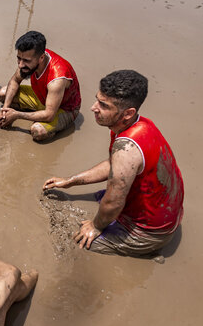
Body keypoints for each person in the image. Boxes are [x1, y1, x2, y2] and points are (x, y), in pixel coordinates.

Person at [43, 70, 184, 257]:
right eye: (97, 99)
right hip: (163, 210)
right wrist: (70, 181)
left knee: (80, 241)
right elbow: (113, 165)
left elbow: (114, 201)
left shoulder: (126, 148)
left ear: (128, 113)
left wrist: (95, 226)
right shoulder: (136, 125)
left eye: (103, 105)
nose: (93, 107)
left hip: (150, 232)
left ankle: (151, 252)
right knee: (102, 203)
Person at [0, 31, 81, 141]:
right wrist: (5, 110)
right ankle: (35, 114)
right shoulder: (31, 57)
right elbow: (15, 81)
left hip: (63, 108)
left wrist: (17, 115)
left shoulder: (57, 79)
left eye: (26, 61)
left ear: (41, 58)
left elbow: (49, 114)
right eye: (19, 58)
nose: (20, 64)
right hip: (42, 98)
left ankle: (49, 125)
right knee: (3, 93)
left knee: (37, 131)